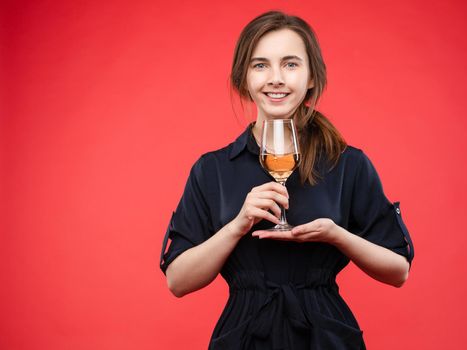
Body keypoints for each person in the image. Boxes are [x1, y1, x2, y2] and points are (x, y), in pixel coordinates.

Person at [159, 10, 414, 350]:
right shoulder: (212, 169)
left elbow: (398, 270)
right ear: (243, 78)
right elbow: (178, 281)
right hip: (243, 336)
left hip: (327, 337)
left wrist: (337, 236)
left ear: (311, 77)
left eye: (291, 64)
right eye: (260, 65)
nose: (275, 78)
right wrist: (237, 225)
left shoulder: (348, 164)